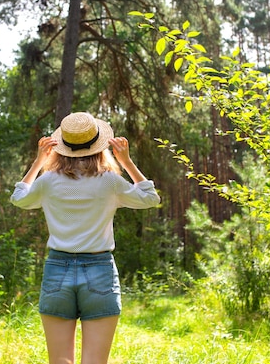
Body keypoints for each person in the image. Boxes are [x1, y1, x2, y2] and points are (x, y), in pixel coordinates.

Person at [10, 112, 160, 364]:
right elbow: (149, 197)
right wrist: (127, 162)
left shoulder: (47, 182)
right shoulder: (110, 181)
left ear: (62, 147)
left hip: (57, 269)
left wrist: (38, 162)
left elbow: (19, 198)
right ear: (100, 146)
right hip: (99, 270)